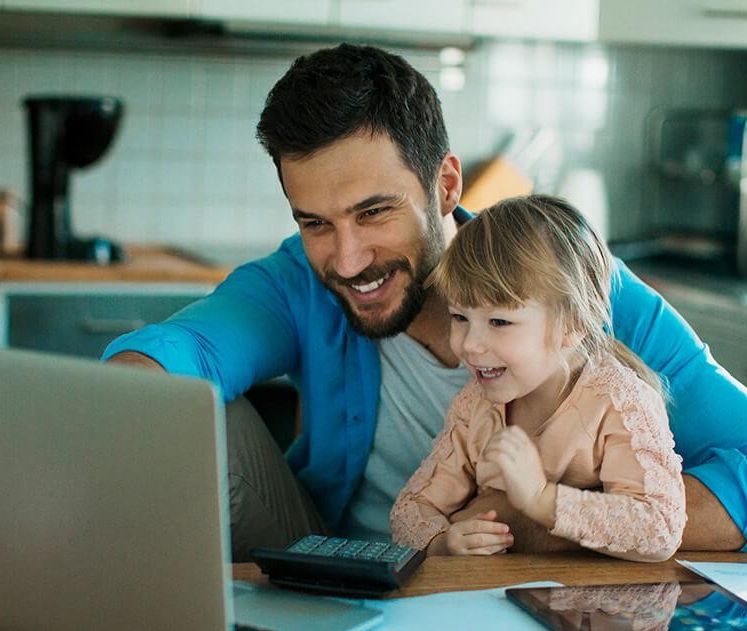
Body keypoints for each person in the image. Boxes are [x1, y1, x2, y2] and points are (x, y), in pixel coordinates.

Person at [102, 43, 747, 560]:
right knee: (193, 409)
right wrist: (115, 401)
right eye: (315, 222)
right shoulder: (297, 280)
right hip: (343, 569)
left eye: (374, 212)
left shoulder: (574, 286)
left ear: (445, 184)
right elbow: (192, 346)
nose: (347, 260)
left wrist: (524, 519)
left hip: (528, 594)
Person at [390, 195, 685, 561]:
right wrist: (442, 543)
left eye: (499, 322)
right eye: (459, 317)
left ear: (573, 324)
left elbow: (660, 529)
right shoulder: (475, 406)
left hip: (594, 611)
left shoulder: (620, 401)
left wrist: (541, 499)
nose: (469, 345)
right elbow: (409, 511)